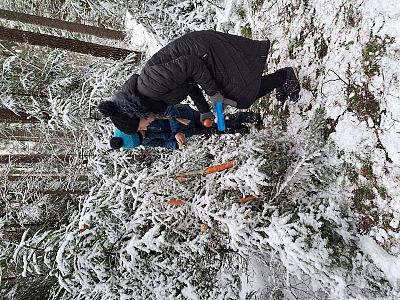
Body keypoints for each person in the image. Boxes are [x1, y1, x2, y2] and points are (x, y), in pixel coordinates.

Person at [98, 30, 300, 134]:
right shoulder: (150, 99)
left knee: (239, 94)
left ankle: (285, 76)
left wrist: (213, 93)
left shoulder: (149, 86)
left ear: (136, 115)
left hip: (204, 51)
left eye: (140, 127)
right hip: (202, 59)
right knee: (240, 97)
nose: (145, 129)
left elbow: (191, 65)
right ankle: (279, 80)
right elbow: (188, 84)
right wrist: (204, 109)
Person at [109, 104, 261, 150]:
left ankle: (243, 117)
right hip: (187, 132)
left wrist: (176, 131)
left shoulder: (146, 114)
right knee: (213, 130)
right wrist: (175, 144)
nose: (144, 135)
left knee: (214, 122)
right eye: (142, 139)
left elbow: (170, 110)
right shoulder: (145, 141)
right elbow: (162, 143)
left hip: (186, 117)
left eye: (140, 133)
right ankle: (237, 128)